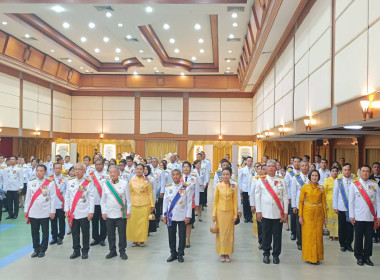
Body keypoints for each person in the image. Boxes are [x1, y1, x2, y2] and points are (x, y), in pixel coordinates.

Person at [255, 159, 288, 264]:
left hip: (278, 213)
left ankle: (276, 255)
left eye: (273, 166)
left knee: (277, 235)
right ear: (266, 168)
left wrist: (286, 212)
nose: (271, 168)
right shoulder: (261, 180)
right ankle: (266, 254)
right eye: (269, 166)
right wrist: (258, 211)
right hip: (265, 212)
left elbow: (285, 197)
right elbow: (257, 196)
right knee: (266, 235)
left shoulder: (282, 180)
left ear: (276, 167)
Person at [349, 165, 380, 266]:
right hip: (358, 216)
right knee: (358, 238)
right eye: (363, 171)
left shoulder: (375, 185)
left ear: (370, 173)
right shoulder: (354, 184)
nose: (365, 173)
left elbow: (378, 202)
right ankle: (359, 257)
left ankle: (367, 256)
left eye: (367, 171)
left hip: (371, 216)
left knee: (369, 238)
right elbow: (351, 202)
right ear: (360, 172)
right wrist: (351, 216)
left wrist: (378, 216)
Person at [64, 163, 95, 260]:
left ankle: (85, 251)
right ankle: (76, 250)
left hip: (84, 212)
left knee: (85, 233)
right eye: (75, 169)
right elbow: (67, 197)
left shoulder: (88, 182)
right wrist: (66, 209)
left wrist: (91, 211)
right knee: (74, 232)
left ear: (84, 171)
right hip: (73, 212)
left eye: (79, 169)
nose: (77, 171)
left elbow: (91, 198)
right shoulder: (70, 182)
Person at [24, 164, 55, 258]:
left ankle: (43, 249)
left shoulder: (50, 182)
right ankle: (36, 249)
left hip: (45, 211)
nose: (39, 173)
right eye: (37, 171)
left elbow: (52, 198)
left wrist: (52, 211)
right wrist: (26, 210)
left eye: (41, 171)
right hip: (33, 211)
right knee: (34, 232)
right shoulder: (31, 182)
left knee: (45, 232)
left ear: (45, 172)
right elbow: (28, 198)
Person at [101, 165, 131, 260]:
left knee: (122, 234)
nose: (112, 174)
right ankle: (112, 251)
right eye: (111, 172)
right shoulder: (106, 184)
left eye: (114, 172)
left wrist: (128, 212)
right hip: (109, 213)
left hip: (121, 213)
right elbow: (103, 200)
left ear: (119, 173)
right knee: (110, 234)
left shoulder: (125, 183)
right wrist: (104, 212)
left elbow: (128, 200)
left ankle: (122, 251)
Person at [163, 169, 192, 263]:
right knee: (171, 235)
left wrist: (188, 216)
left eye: (177, 174)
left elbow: (189, 202)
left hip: (182, 215)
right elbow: (165, 202)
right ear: (171, 176)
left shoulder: (185, 187)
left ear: (181, 176)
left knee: (182, 235)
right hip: (170, 216)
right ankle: (173, 253)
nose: (175, 176)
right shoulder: (168, 187)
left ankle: (180, 253)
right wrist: (164, 215)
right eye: (174, 175)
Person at [299, 169, 327, 265]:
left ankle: (317, 257)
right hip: (307, 213)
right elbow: (301, 202)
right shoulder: (305, 187)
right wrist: (300, 216)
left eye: (316, 175)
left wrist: (325, 216)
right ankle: (308, 257)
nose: (315, 177)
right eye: (313, 175)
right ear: (310, 177)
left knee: (318, 235)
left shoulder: (321, 188)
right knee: (308, 235)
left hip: (318, 213)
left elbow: (324, 202)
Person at [212, 167, 238, 263]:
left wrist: (235, 215)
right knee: (221, 233)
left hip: (230, 212)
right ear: (221, 176)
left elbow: (235, 201)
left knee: (229, 234)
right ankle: (221, 253)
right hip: (220, 212)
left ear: (230, 175)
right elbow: (215, 201)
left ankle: (227, 253)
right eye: (224, 174)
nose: (225, 176)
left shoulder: (234, 186)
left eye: (227, 174)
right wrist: (214, 214)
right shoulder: (218, 186)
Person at [127, 164, 155, 247]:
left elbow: (150, 193)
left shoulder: (147, 180)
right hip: (133, 204)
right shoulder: (131, 180)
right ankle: (135, 240)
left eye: (141, 169)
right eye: (137, 169)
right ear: (135, 170)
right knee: (133, 223)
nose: (139, 170)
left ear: (144, 171)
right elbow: (129, 192)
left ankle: (142, 240)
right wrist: (127, 204)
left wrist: (152, 204)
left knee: (143, 223)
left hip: (145, 204)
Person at [88, 159, 110, 247]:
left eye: (100, 164)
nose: (98, 166)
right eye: (96, 164)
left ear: (103, 165)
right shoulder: (90, 175)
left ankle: (102, 238)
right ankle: (95, 238)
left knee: (104, 221)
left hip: (104, 202)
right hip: (94, 201)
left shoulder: (107, 175)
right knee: (94, 221)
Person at [333, 163, 354, 251]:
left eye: (348, 170)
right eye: (345, 170)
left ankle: (349, 244)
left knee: (350, 227)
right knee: (342, 227)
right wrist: (335, 207)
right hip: (341, 208)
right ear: (342, 171)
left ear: (350, 171)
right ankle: (342, 244)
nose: (347, 171)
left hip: (351, 209)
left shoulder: (354, 181)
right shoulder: (338, 181)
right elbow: (335, 194)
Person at [291, 160, 310, 250]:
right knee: (299, 224)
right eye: (302, 165)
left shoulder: (312, 176)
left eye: (306, 165)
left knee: (308, 224)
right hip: (300, 205)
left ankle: (307, 241)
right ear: (300, 167)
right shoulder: (296, 178)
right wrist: (294, 206)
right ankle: (300, 242)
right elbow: (293, 192)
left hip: (310, 205)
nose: (304, 167)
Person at [49, 163, 68, 246]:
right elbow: (44, 190)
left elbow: (68, 191)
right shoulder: (49, 179)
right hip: (52, 205)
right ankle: (54, 237)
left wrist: (66, 204)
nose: (58, 170)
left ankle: (61, 237)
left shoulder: (65, 178)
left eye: (59, 168)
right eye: (56, 168)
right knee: (53, 222)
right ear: (53, 169)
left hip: (61, 204)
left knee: (61, 222)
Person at [285, 157, 301, 241]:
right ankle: (293, 233)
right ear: (293, 163)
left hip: (302, 199)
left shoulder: (304, 173)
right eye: (295, 162)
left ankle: (300, 234)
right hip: (293, 198)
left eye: (298, 162)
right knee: (293, 217)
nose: (297, 163)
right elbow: (286, 186)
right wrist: (289, 197)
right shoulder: (289, 173)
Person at [181, 161, 196, 248]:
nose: (186, 168)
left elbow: (196, 191)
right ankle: (182, 238)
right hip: (181, 203)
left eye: (187, 167)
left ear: (190, 169)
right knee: (182, 221)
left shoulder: (194, 178)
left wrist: (197, 203)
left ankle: (188, 239)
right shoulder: (179, 178)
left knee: (189, 221)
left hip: (191, 203)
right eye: (184, 167)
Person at [324, 166, 339, 241]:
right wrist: (325, 203)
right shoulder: (327, 180)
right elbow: (324, 192)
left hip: (338, 202)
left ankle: (336, 235)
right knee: (330, 218)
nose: (334, 172)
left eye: (336, 171)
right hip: (329, 201)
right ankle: (330, 234)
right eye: (333, 171)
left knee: (337, 218)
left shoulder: (340, 180)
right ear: (330, 172)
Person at [238, 156, 254, 223]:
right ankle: (246, 217)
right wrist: (240, 188)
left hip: (252, 189)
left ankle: (250, 217)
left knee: (251, 203)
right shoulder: (242, 169)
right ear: (246, 162)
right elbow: (240, 179)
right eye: (248, 161)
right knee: (245, 203)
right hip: (245, 189)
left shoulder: (254, 170)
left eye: (251, 161)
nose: (249, 162)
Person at [369, 162, 380, 243]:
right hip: (372, 202)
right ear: (372, 169)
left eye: (378, 167)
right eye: (375, 167)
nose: (376, 168)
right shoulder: (369, 178)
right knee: (372, 219)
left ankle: (379, 235)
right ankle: (372, 235)